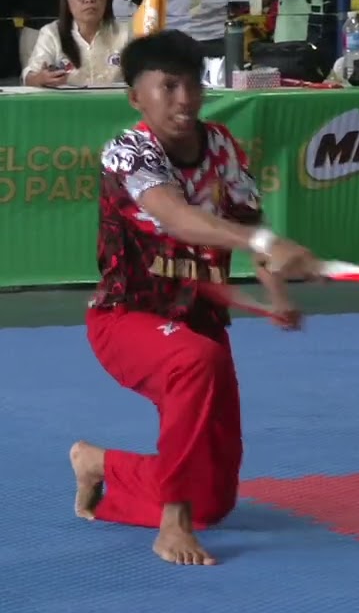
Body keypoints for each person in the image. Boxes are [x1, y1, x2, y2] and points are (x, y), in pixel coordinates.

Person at [69, 30, 320, 566]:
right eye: (168, 86)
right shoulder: (128, 152)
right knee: (195, 361)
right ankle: (171, 525)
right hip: (127, 317)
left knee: (215, 499)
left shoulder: (222, 146)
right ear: (136, 97)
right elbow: (180, 218)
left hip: (200, 319)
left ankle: (99, 465)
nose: (185, 99)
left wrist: (276, 292)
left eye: (192, 85)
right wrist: (262, 243)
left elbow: (250, 221)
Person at [22, 0, 131, 88]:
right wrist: (41, 79)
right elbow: (30, 77)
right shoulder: (52, 33)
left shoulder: (125, 32)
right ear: (67, 0)